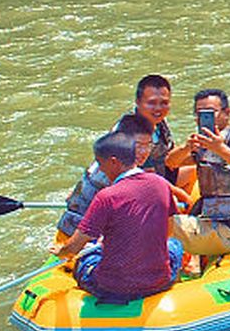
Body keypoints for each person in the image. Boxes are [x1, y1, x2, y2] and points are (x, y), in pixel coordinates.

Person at [52, 128, 184, 302]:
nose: (100, 169)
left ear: (114, 162)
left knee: (86, 258)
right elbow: (168, 233)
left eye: (100, 163)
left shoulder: (106, 197)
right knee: (175, 246)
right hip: (159, 281)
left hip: (113, 288)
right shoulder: (160, 184)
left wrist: (61, 250)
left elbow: (74, 248)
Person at [53, 74, 177, 240]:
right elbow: (147, 181)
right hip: (93, 212)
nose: (158, 108)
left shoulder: (157, 124)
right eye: (152, 103)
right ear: (138, 103)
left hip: (129, 193)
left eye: (164, 103)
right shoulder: (128, 134)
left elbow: (166, 162)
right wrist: (179, 198)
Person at [168, 88, 230, 258]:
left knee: (155, 223)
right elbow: (171, 163)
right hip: (214, 220)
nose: (204, 118)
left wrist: (220, 148)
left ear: (226, 113)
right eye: (199, 113)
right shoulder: (201, 143)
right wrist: (186, 148)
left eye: (211, 112)